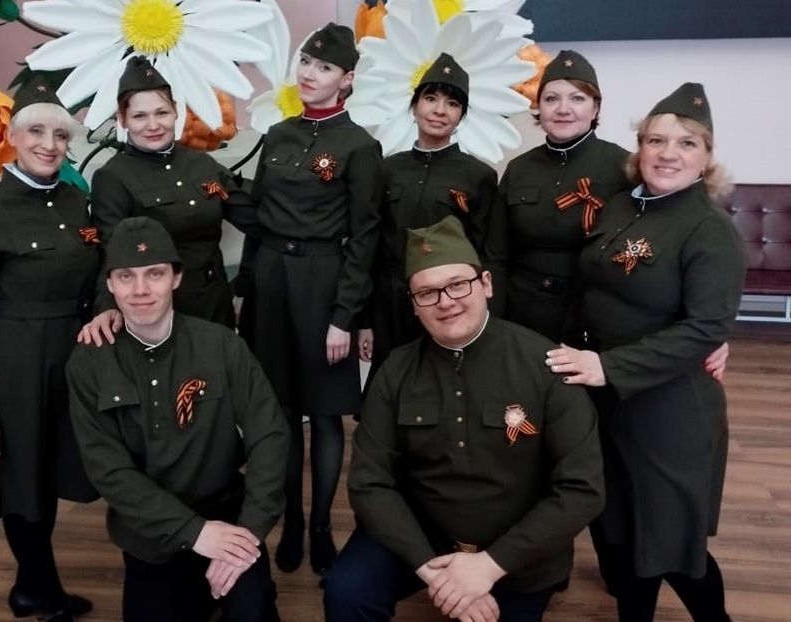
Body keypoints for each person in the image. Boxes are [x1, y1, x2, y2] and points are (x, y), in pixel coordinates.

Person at [324, 216, 605, 622]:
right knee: (346, 591)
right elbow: (370, 484)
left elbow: (583, 490)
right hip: (422, 539)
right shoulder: (395, 371)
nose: (446, 301)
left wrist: (488, 568)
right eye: (427, 293)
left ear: (486, 284)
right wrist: (435, 573)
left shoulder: (546, 365)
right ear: (414, 305)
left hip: (515, 552)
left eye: (458, 284)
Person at [554, 84, 744, 622]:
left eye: (686, 143)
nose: (668, 153)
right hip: (604, 401)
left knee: (669, 538)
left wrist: (609, 367)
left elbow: (706, 327)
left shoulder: (708, 230)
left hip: (670, 410)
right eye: (656, 140)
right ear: (638, 149)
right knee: (617, 530)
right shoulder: (621, 205)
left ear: (706, 157)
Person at [66, 217, 289, 622]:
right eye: (126, 275)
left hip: (226, 517)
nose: (140, 289)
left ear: (176, 277)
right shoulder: (89, 362)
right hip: (149, 534)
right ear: (110, 284)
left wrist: (248, 533)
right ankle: (196, 600)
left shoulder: (220, 346)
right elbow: (109, 472)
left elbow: (270, 435)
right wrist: (192, 532)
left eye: (154, 273)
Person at [0, 76, 99, 622]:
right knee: (21, 485)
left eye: (60, 135)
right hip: (14, 368)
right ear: (12, 137)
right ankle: (51, 602)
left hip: (70, 363)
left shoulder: (77, 203)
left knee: (47, 476)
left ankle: (29, 585)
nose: (49, 145)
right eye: (36, 131)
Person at [245, 22, 383, 574]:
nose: (309, 73)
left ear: (346, 79)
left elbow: (365, 238)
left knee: (325, 415)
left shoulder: (359, 146)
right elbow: (258, 215)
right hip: (271, 281)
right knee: (279, 414)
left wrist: (345, 316)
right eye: (306, 61)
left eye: (324, 67)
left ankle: (322, 524)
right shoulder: (277, 134)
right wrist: (248, 290)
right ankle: (292, 523)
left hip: (324, 284)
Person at [81, 55, 258, 345]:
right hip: (157, 313)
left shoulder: (202, 165)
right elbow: (109, 250)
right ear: (122, 120)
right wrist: (106, 306)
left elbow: (254, 218)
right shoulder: (113, 177)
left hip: (213, 306)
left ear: (176, 112)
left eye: (161, 113)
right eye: (139, 116)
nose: (153, 125)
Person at [358, 52, 502, 378]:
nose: (439, 110)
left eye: (452, 104)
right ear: (414, 107)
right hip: (390, 304)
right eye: (430, 98)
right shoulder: (387, 170)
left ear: (461, 116)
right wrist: (364, 321)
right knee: (389, 385)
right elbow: (370, 249)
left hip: (448, 304)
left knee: (444, 385)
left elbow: (486, 255)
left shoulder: (479, 176)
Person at [486, 50, 630, 342]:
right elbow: (496, 255)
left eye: (577, 98)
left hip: (590, 314)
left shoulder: (623, 167)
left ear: (595, 108)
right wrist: (493, 323)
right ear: (539, 107)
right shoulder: (519, 169)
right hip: (522, 311)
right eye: (551, 99)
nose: (563, 109)